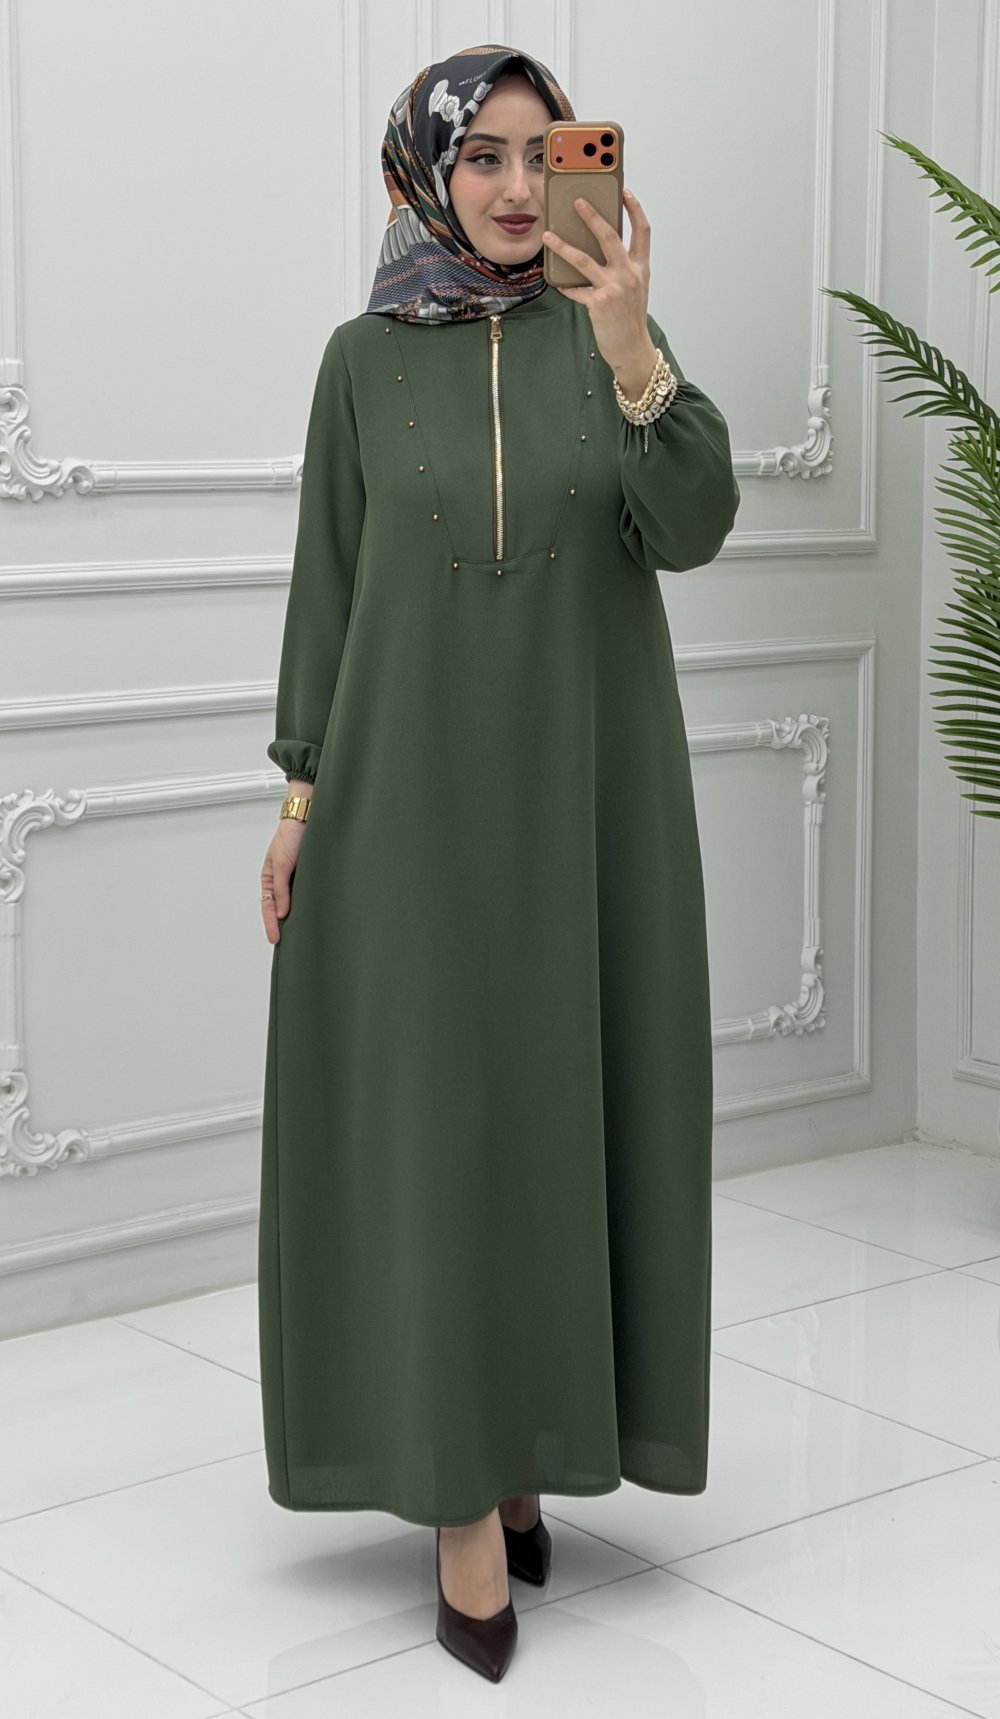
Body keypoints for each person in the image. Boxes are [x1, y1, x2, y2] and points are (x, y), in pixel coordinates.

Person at [257, 44, 740, 1684]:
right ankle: (465, 1499)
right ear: (429, 173)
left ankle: (530, 1448)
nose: (523, 187)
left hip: (591, 803)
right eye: (487, 158)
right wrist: (301, 800)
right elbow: (328, 587)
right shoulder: (357, 362)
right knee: (442, 1138)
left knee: (554, 1122)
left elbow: (694, 525)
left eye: (548, 153)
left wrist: (632, 352)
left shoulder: (611, 334)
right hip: (406, 812)